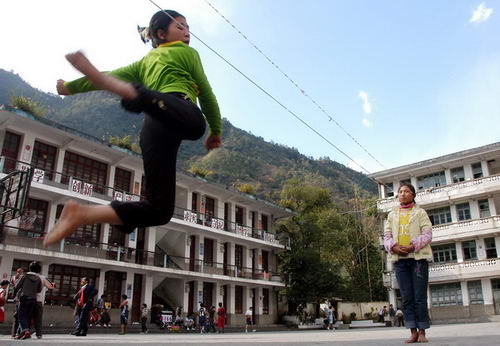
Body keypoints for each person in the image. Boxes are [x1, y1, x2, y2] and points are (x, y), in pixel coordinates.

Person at [43, 9, 222, 248]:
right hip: (173, 107)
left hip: (153, 123)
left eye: (188, 28)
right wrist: (216, 130)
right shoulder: (187, 52)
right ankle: (133, 93)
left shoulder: (143, 64)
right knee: (197, 125)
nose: (187, 32)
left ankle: (83, 214)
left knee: (159, 210)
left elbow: (106, 75)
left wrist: (70, 87)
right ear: (162, 34)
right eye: (180, 27)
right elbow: (207, 93)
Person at [384, 183, 433, 343]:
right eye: (400, 192)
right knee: (406, 297)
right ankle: (412, 331)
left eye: (406, 191)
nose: (403, 194)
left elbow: (427, 234)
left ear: (413, 195)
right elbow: (387, 236)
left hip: (418, 260)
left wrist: (413, 246)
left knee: (419, 297)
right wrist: (393, 247)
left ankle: (422, 332)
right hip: (400, 262)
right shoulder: (392, 215)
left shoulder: (420, 212)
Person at [13, 262, 42, 339]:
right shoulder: (38, 278)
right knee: (27, 316)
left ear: (30, 268)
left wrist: (14, 294)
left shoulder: (24, 276)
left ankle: (26, 331)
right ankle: (21, 333)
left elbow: (16, 287)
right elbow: (39, 290)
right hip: (33, 299)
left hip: (24, 297)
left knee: (21, 315)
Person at [31, 261, 56, 339]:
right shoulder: (42, 277)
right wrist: (53, 284)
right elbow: (51, 286)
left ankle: (25, 331)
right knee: (38, 318)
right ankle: (38, 334)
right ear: (40, 269)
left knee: (27, 316)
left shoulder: (26, 276)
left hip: (28, 300)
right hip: (38, 300)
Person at [10, 267, 24, 337]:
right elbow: (16, 287)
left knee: (16, 316)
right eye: (21, 271)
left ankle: (14, 333)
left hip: (15, 298)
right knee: (18, 316)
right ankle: (17, 332)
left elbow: (13, 286)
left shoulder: (13, 277)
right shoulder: (21, 277)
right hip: (19, 298)